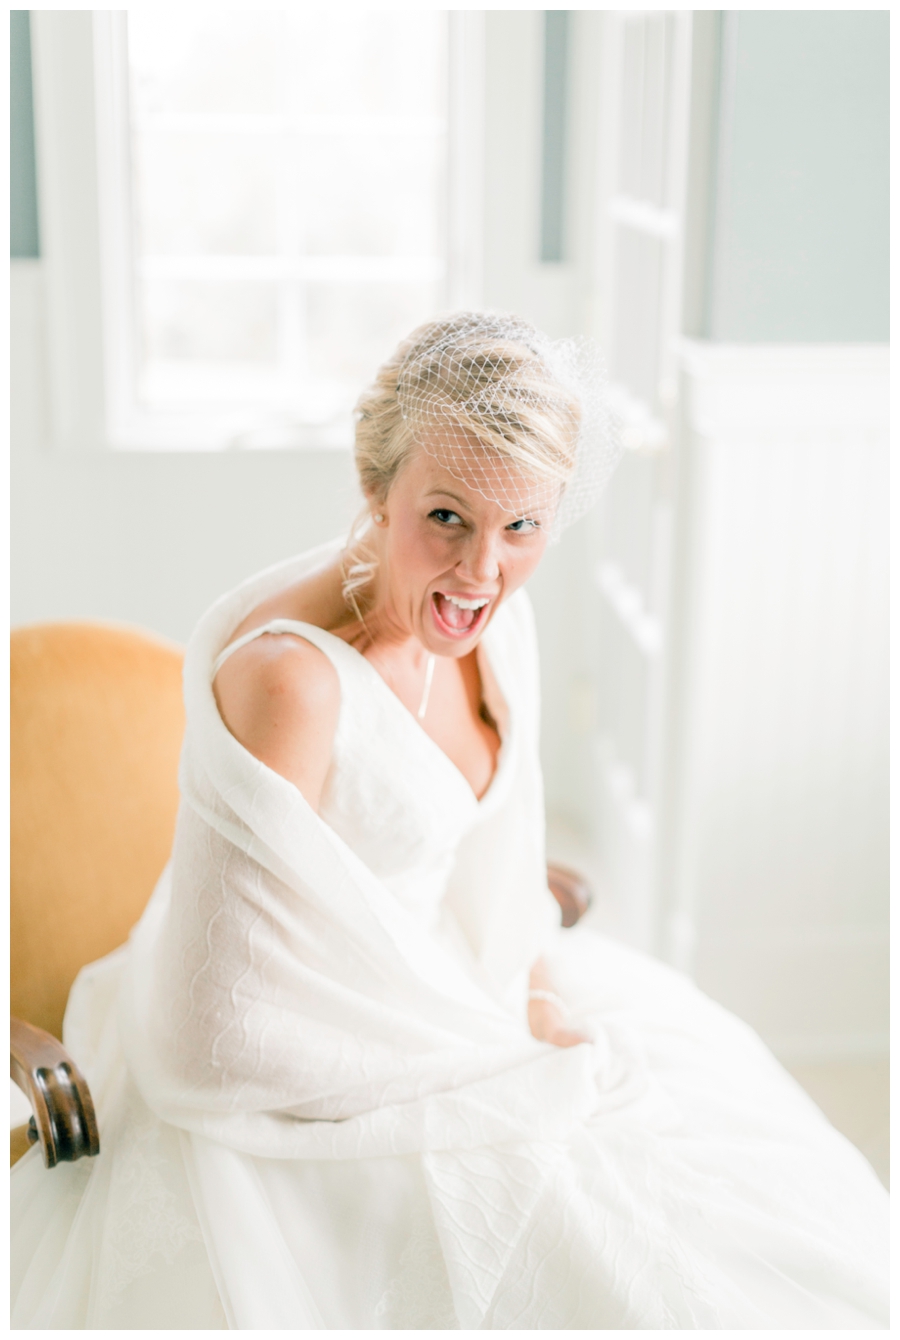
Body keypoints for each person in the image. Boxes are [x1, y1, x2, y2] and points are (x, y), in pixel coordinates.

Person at [11, 313, 888, 1329]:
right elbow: (215, 1041)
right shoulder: (293, 685)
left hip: (464, 982)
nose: (481, 571)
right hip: (301, 1077)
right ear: (376, 487)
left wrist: (533, 989)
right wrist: (488, 1054)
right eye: (446, 516)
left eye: (524, 526)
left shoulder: (491, 621)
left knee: (730, 1201)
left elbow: (493, 866)